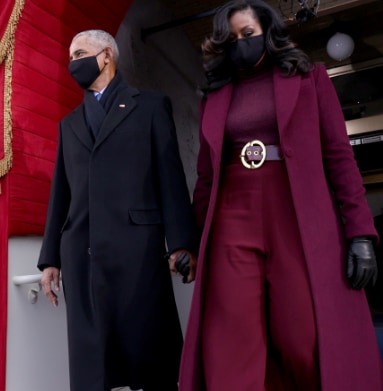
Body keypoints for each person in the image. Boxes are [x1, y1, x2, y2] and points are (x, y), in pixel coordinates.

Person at [178, 1, 383, 390]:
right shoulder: (214, 97)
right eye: (232, 38)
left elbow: (340, 157)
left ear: (267, 32)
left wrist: (360, 232)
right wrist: (191, 241)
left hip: (296, 214)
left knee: (302, 333)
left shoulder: (310, 79)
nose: (241, 43)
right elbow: (205, 177)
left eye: (248, 34)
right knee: (231, 339)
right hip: (232, 217)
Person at [37, 29, 196, 391]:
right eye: (70, 57)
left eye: (79, 54)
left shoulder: (151, 106)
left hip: (137, 252)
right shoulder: (69, 124)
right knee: (93, 365)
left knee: (149, 355)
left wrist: (182, 242)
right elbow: (59, 194)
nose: (71, 63)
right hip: (82, 256)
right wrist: (50, 259)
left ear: (106, 55)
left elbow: (170, 178)